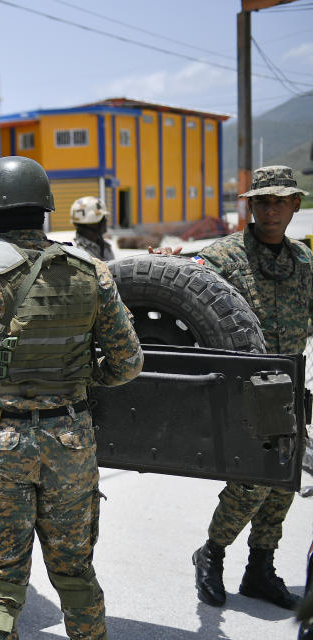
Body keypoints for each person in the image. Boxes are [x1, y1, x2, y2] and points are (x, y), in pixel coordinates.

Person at [0, 156, 143, 639]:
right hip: (70, 441)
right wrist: (84, 380)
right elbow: (128, 363)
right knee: (76, 574)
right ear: (44, 210)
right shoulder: (91, 271)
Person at [180, 165, 308, 611]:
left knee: (284, 484)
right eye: (262, 202)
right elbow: (180, 282)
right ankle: (211, 554)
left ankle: (260, 568)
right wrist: (167, 258)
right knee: (253, 482)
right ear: (250, 207)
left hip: (289, 389)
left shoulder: (304, 263)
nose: (271, 210)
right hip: (245, 389)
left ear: (296, 205)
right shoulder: (223, 257)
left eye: (280, 201)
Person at [71, 196, 115, 261]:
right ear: (90, 223)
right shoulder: (77, 251)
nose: (105, 221)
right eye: (101, 218)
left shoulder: (105, 246)